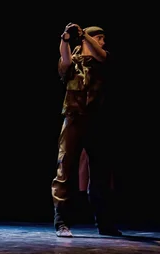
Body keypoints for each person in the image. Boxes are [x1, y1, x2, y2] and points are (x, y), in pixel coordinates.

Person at [51, 23, 122, 237]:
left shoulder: (102, 60)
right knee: (65, 168)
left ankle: (104, 223)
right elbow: (65, 61)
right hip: (74, 119)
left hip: (97, 121)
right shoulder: (74, 62)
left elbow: (102, 55)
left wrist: (84, 35)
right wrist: (65, 38)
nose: (102, 41)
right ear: (86, 41)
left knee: (100, 173)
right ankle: (61, 222)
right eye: (98, 37)